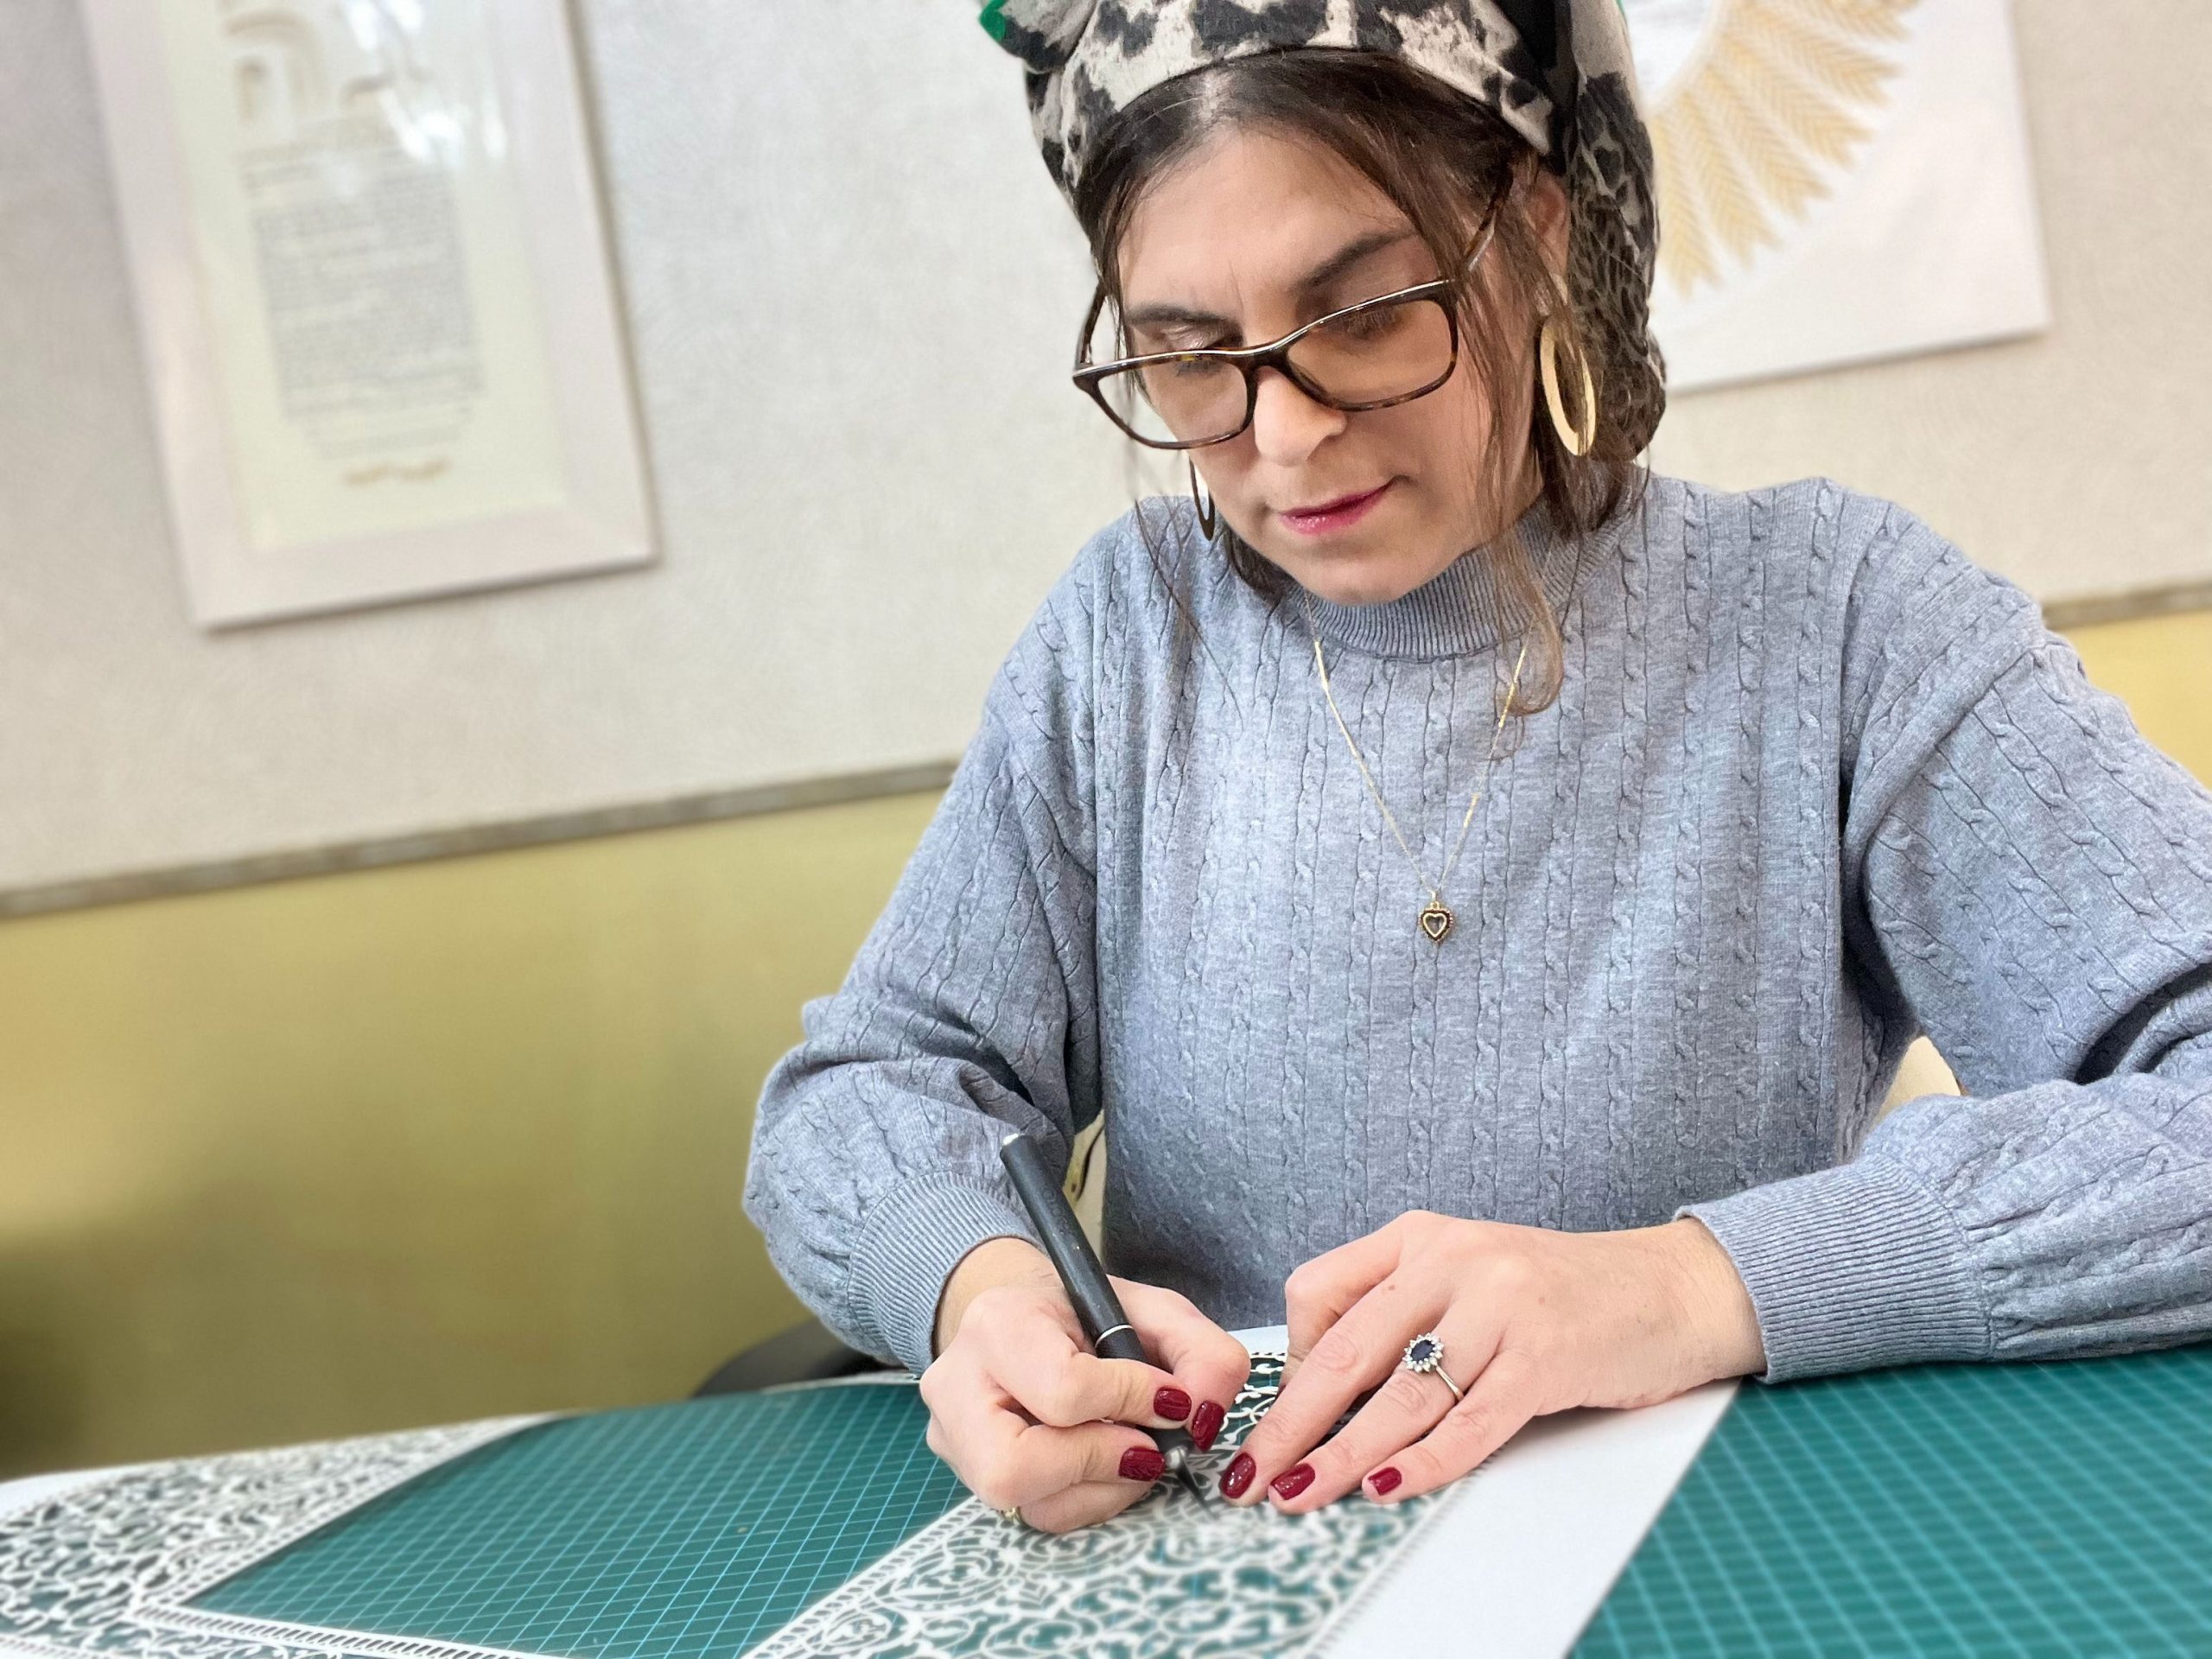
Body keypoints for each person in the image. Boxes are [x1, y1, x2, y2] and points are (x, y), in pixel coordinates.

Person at [744, 0, 2212, 1535]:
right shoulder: (1126, 638)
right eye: (1189, 360)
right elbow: (865, 1093)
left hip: (1721, 1541)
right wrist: (983, 1286)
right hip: (1227, 1553)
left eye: (1365, 317)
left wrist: (1686, 1286)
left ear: (1540, 232)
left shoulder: (1837, 619)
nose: (1284, 436)